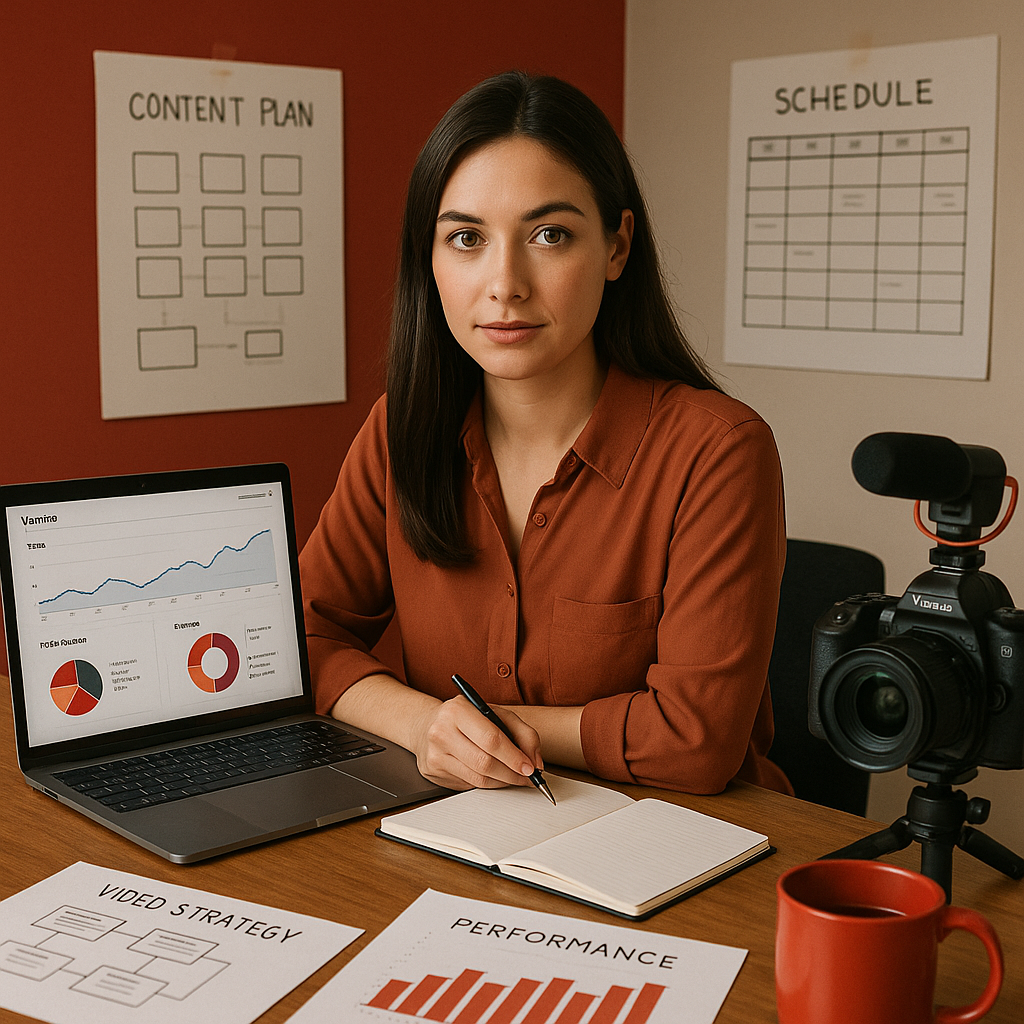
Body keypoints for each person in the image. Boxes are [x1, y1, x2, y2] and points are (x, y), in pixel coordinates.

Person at [300, 70, 792, 797]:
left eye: (549, 235)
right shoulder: (400, 431)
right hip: (465, 837)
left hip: (686, 849)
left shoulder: (717, 452)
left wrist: (484, 726)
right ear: (428, 260)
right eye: (466, 238)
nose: (505, 282)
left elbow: (697, 741)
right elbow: (297, 643)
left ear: (618, 247)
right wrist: (421, 725)